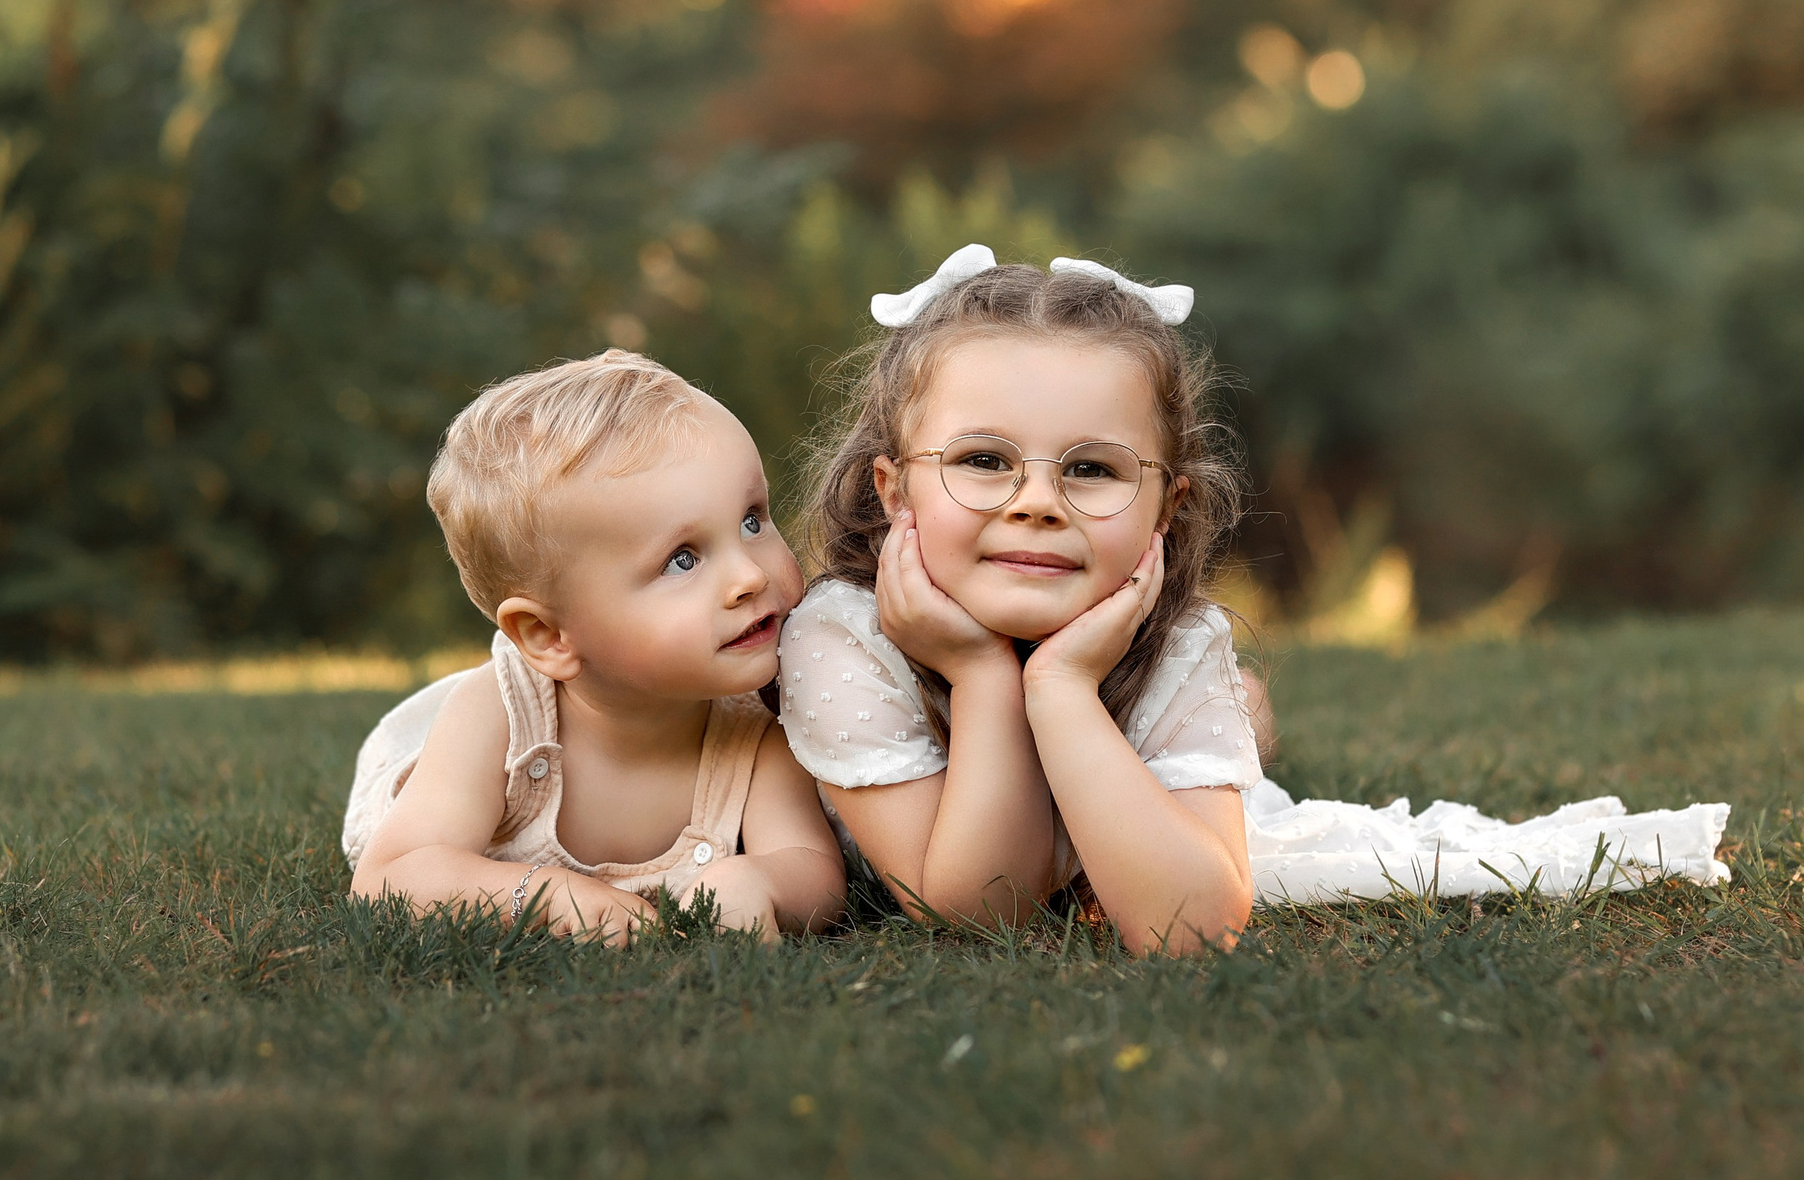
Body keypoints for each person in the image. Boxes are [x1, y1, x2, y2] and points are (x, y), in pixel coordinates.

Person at [782, 247, 1264, 957]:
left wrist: (1063, 686)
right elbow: (980, 908)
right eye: (983, 460)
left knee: (1240, 717)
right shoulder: (842, 636)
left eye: (1092, 469)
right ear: (894, 490)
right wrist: (981, 674)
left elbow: (1194, 929)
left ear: (1167, 506)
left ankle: (1251, 715)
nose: (1037, 503)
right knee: (1242, 710)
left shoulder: (1180, 639)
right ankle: (1250, 712)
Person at [345, 351, 846, 944]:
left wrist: (761, 880)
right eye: (682, 559)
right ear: (549, 636)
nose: (749, 576)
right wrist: (548, 895)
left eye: (752, 520)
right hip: (435, 760)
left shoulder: (757, 722)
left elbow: (811, 867)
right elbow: (391, 877)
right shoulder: (498, 718)